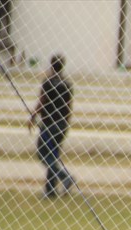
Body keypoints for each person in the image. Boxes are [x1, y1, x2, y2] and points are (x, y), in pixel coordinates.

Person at [29, 53, 74, 198]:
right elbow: (69, 106)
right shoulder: (67, 84)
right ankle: (50, 190)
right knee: (53, 155)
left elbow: (43, 100)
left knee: (43, 154)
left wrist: (33, 116)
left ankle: (65, 176)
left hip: (48, 123)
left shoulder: (48, 82)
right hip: (62, 124)